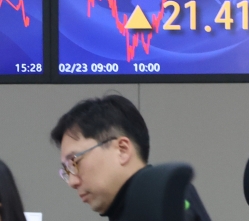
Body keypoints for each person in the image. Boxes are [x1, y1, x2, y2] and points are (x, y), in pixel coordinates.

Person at [50, 94, 211, 221]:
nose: (72, 182)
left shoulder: (164, 197)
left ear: (122, 150)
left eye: (74, 162)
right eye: (67, 171)